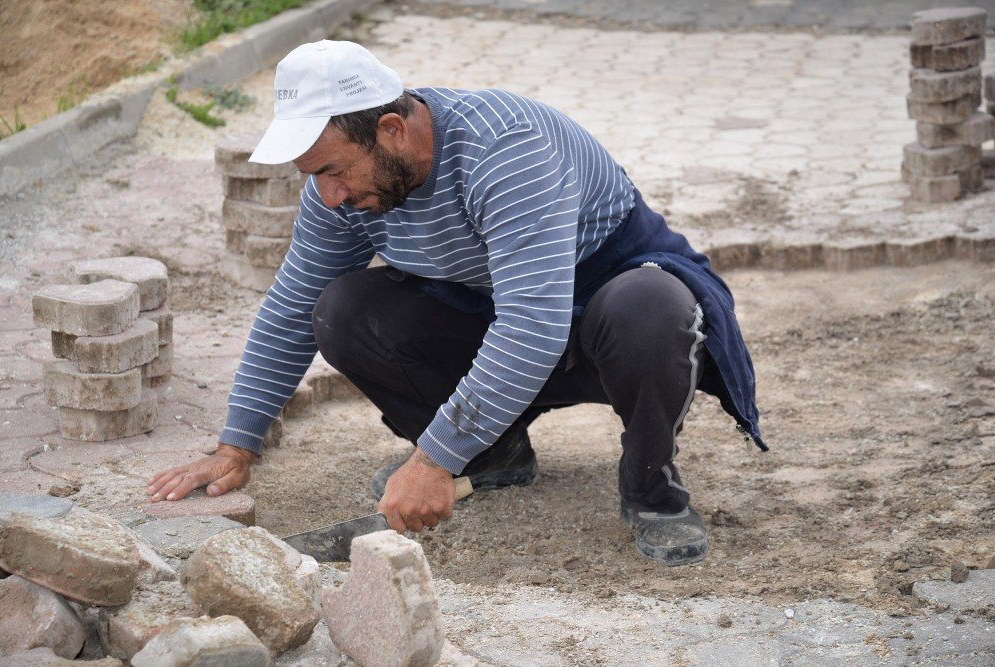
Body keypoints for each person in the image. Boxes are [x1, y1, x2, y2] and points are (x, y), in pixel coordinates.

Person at [147, 40, 766, 565]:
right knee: (342, 309)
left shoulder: (504, 148)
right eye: (316, 177)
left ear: (391, 129)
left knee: (651, 305)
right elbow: (290, 307)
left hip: (604, 325)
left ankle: (651, 489)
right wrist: (237, 444)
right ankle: (495, 453)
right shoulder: (341, 191)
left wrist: (432, 459)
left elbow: (535, 321)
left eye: (334, 171)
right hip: (498, 325)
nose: (329, 195)